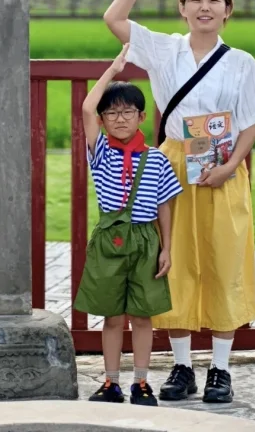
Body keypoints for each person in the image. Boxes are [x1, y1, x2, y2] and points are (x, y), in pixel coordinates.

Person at [103, 0, 255, 403]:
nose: (204, 7)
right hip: (172, 165)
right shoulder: (165, 49)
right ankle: (181, 367)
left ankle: (220, 370)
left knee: (222, 260)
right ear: (181, 7)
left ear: (227, 10)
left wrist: (232, 165)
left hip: (221, 168)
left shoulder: (241, 62)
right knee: (171, 265)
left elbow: (252, 119)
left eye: (214, 0)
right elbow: (114, 19)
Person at [74, 44, 183, 406]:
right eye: (112, 113)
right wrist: (113, 70)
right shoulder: (100, 153)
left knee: (142, 316)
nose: (120, 119)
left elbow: (166, 205)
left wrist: (166, 247)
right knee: (112, 316)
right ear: (103, 121)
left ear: (141, 117)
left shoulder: (156, 159)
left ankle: (140, 382)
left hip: (145, 240)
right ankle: (110, 382)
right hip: (110, 241)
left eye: (128, 112)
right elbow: (86, 107)